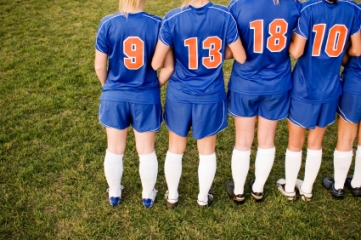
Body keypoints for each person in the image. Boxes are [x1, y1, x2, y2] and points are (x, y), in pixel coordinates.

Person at [152, 0, 246, 208]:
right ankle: (203, 197)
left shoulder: (172, 17)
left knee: (175, 148)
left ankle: (173, 195)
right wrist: (214, 53)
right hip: (211, 95)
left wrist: (179, 55)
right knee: (207, 150)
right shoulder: (224, 14)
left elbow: (157, 63)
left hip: (180, 94)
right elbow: (240, 55)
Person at [276, 0, 361, 201]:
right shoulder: (353, 9)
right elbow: (356, 50)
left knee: (295, 143)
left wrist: (285, 42)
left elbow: (297, 51)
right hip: (330, 87)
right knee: (316, 142)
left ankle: (290, 188)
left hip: (305, 86)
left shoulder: (308, 8)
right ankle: (307, 189)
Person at [94, 0, 173, 208]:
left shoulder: (108, 23)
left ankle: (114, 192)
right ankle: (148, 195)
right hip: (145, 96)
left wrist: (109, 88)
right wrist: (152, 86)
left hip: (114, 96)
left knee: (114, 148)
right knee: (146, 149)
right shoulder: (158, 24)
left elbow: (99, 67)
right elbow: (168, 67)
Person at [225, 0, 300, 204]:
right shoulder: (292, 4)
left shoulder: (238, 5)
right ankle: (257, 188)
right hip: (277, 82)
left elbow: (231, 47)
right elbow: (295, 42)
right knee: (267, 140)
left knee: (243, 140)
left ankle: (239, 190)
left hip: (245, 82)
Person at [322, 7, 361, 198]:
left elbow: (348, 52)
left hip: (356, 81)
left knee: (346, 136)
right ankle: (358, 182)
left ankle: (338, 186)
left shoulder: (355, 12)